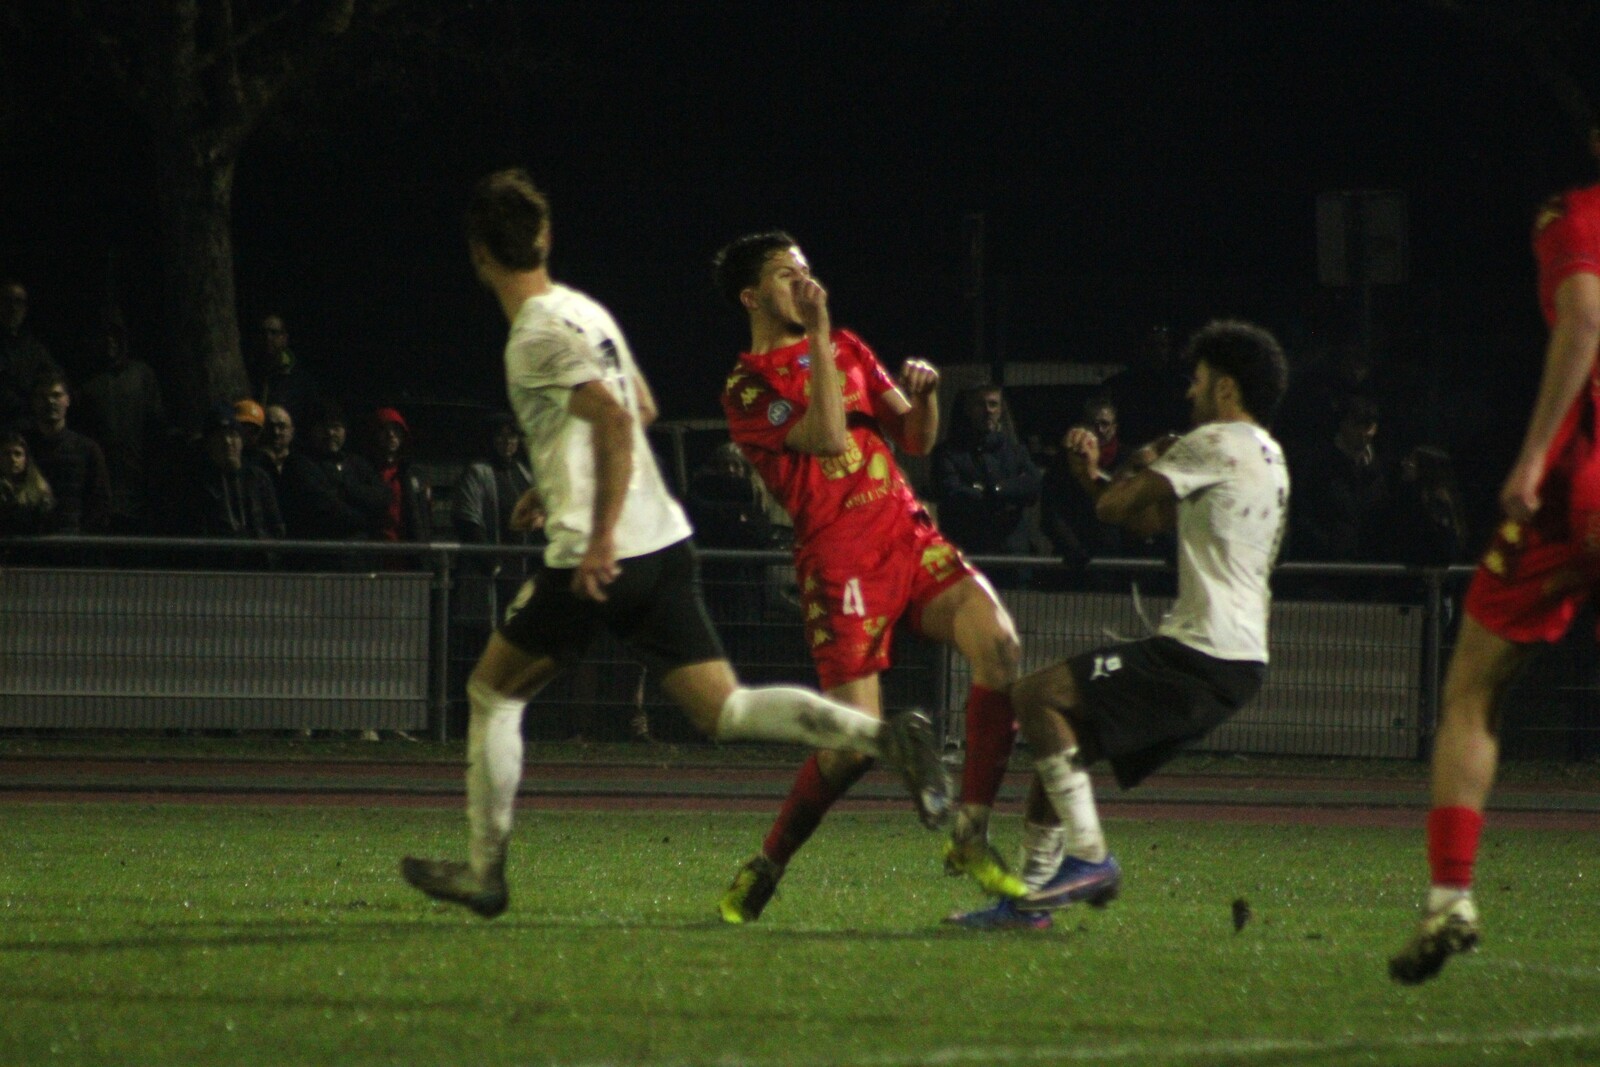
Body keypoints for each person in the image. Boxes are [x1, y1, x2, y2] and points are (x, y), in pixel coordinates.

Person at [400, 169, 947, 919]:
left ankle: (484, 871)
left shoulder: (531, 335)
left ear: (480, 257)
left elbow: (616, 420)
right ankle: (886, 738)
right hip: (663, 544)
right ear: (546, 238)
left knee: (491, 693)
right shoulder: (584, 312)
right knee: (725, 710)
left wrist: (596, 536)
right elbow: (643, 406)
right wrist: (552, 486)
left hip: (600, 553)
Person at [712, 231, 1026, 924]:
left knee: (1001, 646)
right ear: (751, 297)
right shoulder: (747, 387)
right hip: (839, 559)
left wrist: (927, 395)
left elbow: (916, 439)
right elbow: (827, 438)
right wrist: (820, 332)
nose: (804, 282)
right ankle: (768, 861)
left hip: (905, 534)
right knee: (852, 744)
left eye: (806, 269)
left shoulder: (849, 347)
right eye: (785, 274)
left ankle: (971, 833)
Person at [950, 320, 1289, 930]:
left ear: (1226, 388)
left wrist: (1138, 459)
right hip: (1241, 658)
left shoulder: (1213, 441)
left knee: (1034, 695)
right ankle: (1028, 903)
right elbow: (1147, 521)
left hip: (1202, 649)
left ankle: (1090, 856)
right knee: (1065, 739)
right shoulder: (1269, 455)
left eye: (1199, 380)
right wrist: (1092, 473)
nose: (1189, 391)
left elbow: (1115, 505)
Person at [1389, 131, 1600, 984]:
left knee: (1471, 689)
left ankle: (1450, 895)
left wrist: (1534, 457)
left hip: (1579, 490)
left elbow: (1583, 318)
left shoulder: (1573, 216)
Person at [77, 308, 171, 533]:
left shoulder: (141, 375)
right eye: (104, 335)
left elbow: (156, 427)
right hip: (101, 485)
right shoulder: (86, 382)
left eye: (115, 334)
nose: (109, 340)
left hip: (139, 483)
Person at [930, 383, 1042, 558]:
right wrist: (1007, 495)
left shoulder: (1016, 451)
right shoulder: (947, 453)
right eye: (980, 404)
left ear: (1001, 410)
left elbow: (1033, 486)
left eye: (993, 404)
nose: (988, 410)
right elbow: (953, 493)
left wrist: (994, 490)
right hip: (969, 552)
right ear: (967, 409)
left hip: (1014, 553)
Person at [169, 403, 284, 554]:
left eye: (233, 435)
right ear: (209, 443)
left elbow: (276, 527)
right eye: (220, 436)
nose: (228, 442)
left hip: (256, 561)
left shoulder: (258, 479)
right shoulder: (196, 482)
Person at [24, 370, 111, 536]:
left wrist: (84, 538)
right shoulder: (22, 449)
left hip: (73, 542)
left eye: (56, 395)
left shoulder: (87, 449)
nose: (50, 401)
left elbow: (100, 502)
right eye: (42, 396)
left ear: (68, 400)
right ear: (34, 402)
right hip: (30, 543)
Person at [366, 406, 433, 557]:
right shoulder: (366, 470)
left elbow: (424, 514)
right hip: (377, 550)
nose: (391, 435)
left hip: (408, 550)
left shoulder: (412, 472)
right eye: (385, 430)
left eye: (396, 430)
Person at [0, 279, 60, 429]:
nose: (13, 308)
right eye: (7, 301)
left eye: (18, 302)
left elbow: (55, 377)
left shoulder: (34, 348)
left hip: (29, 426)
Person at [252, 314, 321, 428]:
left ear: (284, 338)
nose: (268, 337)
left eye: (274, 332)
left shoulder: (299, 379)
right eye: (263, 332)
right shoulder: (249, 372)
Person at [0, 425, 55, 538]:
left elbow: (45, 525)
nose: (13, 459)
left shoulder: (39, 488)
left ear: (26, 458)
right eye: (7, 454)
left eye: (18, 454)